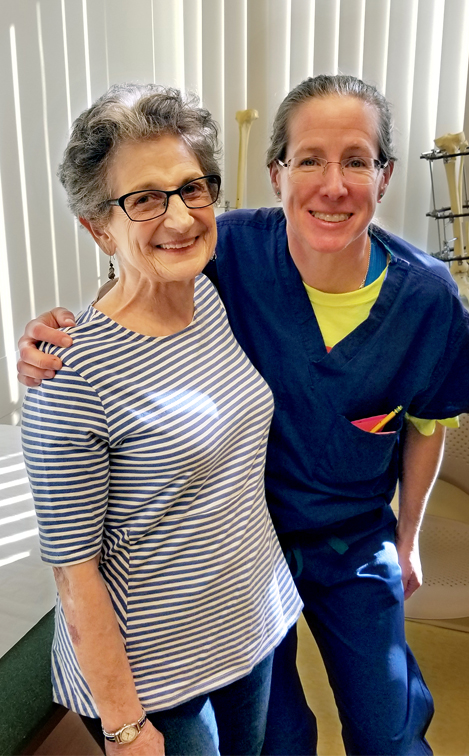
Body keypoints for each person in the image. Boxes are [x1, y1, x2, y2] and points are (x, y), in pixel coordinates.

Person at [18, 75, 469, 756]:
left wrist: (407, 536)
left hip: (333, 551)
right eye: (309, 160)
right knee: (282, 739)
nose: (333, 184)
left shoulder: (419, 296)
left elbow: (427, 423)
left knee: (388, 726)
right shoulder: (226, 255)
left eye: (356, 160)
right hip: (249, 556)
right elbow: (136, 286)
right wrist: (51, 336)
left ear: (383, 177)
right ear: (276, 173)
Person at [20, 83, 303, 756]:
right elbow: (73, 571)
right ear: (98, 227)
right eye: (143, 198)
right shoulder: (68, 376)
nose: (178, 217)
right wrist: (122, 726)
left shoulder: (208, 293)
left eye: (192, 187)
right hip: (151, 675)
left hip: (244, 624)